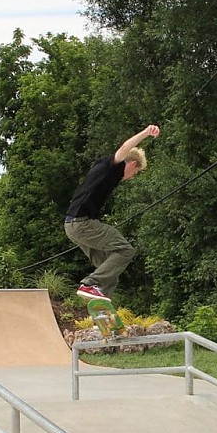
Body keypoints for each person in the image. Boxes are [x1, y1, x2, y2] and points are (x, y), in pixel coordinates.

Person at [64, 124, 160, 302]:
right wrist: (146, 132)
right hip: (82, 224)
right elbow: (125, 148)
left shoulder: (107, 176)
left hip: (72, 227)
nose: (132, 176)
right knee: (125, 250)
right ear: (132, 164)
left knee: (109, 272)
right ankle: (89, 284)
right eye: (135, 172)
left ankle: (99, 312)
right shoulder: (111, 166)